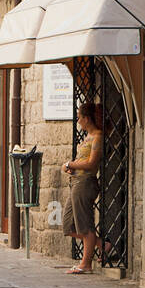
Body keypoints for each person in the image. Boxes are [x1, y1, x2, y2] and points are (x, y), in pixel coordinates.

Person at [62, 103, 104, 274]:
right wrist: (69, 167)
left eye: (79, 117)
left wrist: (70, 163)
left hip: (85, 183)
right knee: (68, 226)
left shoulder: (97, 137)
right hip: (76, 182)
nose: (78, 121)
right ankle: (103, 244)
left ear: (87, 118)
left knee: (85, 225)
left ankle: (86, 264)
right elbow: (81, 160)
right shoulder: (86, 137)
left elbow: (91, 163)